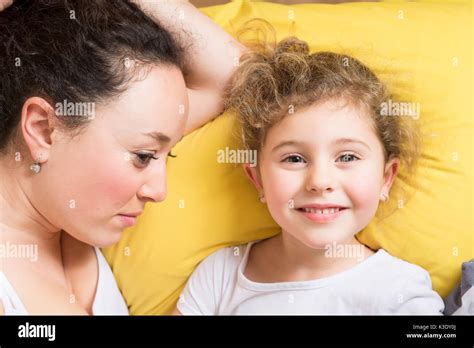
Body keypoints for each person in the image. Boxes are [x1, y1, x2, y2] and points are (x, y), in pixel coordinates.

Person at [0, 0, 244, 315]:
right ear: (44, 129)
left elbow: (232, 73)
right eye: (143, 157)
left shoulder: (68, 226)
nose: (159, 192)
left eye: (166, 155)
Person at [174, 37, 445, 315]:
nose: (320, 182)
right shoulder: (220, 275)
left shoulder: (402, 293)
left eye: (347, 157)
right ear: (257, 179)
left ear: (386, 178)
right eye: (294, 159)